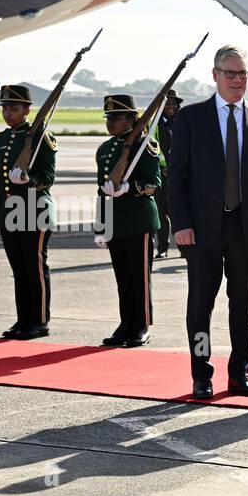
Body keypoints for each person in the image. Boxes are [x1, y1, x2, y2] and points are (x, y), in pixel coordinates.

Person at [168, 45, 248, 400]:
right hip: (201, 230)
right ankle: (201, 375)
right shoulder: (191, 118)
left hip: (246, 230)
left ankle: (240, 373)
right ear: (214, 75)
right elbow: (177, 177)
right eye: (230, 73)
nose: (237, 80)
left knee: (242, 305)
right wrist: (181, 222)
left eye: (243, 73)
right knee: (201, 306)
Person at [95, 94, 162, 348]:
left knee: (139, 277)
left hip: (139, 221)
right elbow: (101, 190)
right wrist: (101, 226)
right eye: (108, 118)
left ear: (132, 119)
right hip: (116, 223)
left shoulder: (145, 146)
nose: (111, 123)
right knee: (122, 277)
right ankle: (126, 323)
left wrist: (129, 188)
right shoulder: (105, 149)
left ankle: (142, 325)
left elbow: (153, 183)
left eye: (117, 118)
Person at [0, 84, 56, 340]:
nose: (8, 113)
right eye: (5, 108)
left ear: (28, 110)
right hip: (10, 213)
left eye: (14, 108)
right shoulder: (1, 140)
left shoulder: (41, 138)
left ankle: (39, 321)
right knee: (19, 268)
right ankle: (23, 319)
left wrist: (29, 180)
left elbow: (48, 178)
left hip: (35, 210)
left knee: (34, 267)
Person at [154, 89, 182, 260]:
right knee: (161, 213)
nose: (171, 106)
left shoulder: (183, 122)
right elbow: (152, 147)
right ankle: (162, 248)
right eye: (167, 103)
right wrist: (162, 166)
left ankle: (184, 248)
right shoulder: (154, 124)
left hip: (180, 175)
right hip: (161, 174)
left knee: (179, 212)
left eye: (174, 103)